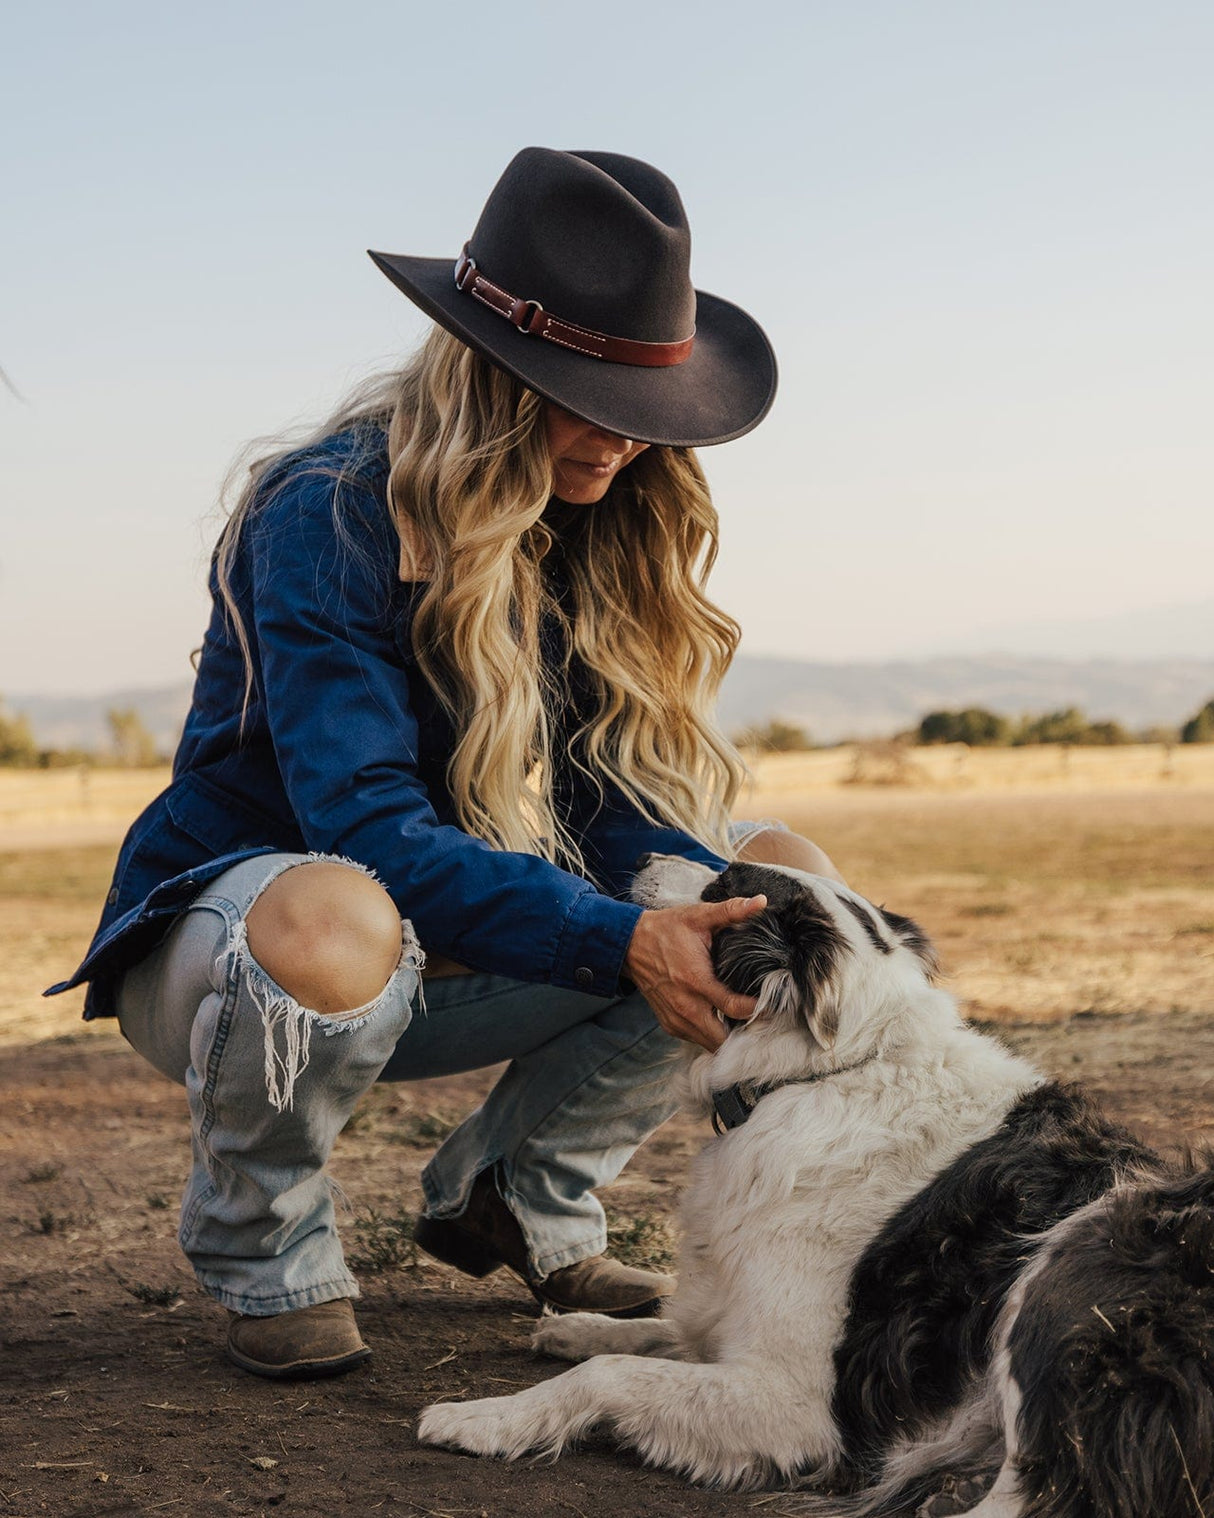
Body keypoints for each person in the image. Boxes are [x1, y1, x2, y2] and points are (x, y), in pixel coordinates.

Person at [48, 147, 841, 1380]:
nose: (626, 445)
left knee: (763, 890)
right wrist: (613, 936)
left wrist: (685, 908)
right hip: (254, 951)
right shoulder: (326, 510)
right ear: (496, 375)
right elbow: (361, 821)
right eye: (590, 397)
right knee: (333, 911)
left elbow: (604, 803)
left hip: (452, 945)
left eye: (642, 411)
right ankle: (269, 1251)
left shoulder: (589, 527)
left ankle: (523, 1202)